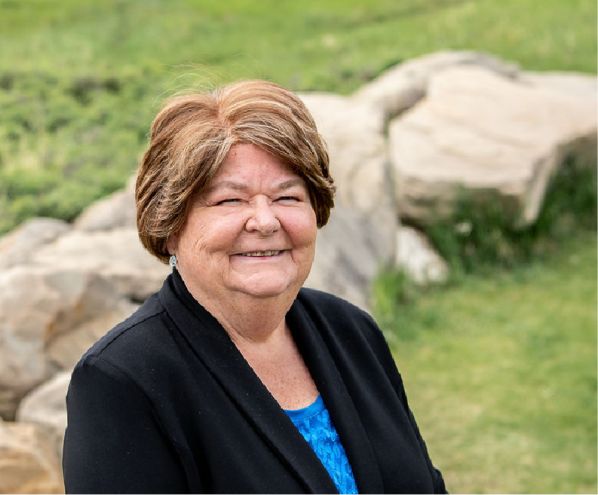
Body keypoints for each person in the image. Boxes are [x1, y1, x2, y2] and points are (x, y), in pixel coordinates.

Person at [62, 80, 447, 494]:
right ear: (169, 225)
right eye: (230, 201)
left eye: (287, 197)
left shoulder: (351, 329)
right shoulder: (122, 382)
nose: (265, 222)